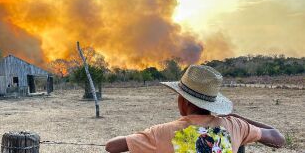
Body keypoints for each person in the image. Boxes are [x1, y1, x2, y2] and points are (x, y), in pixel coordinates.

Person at [105, 65, 285, 153]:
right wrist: (236, 117)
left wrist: (146, 136)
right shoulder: (236, 126)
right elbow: (277, 138)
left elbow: (112, 146)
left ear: (183, 101)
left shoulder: (162, 133)